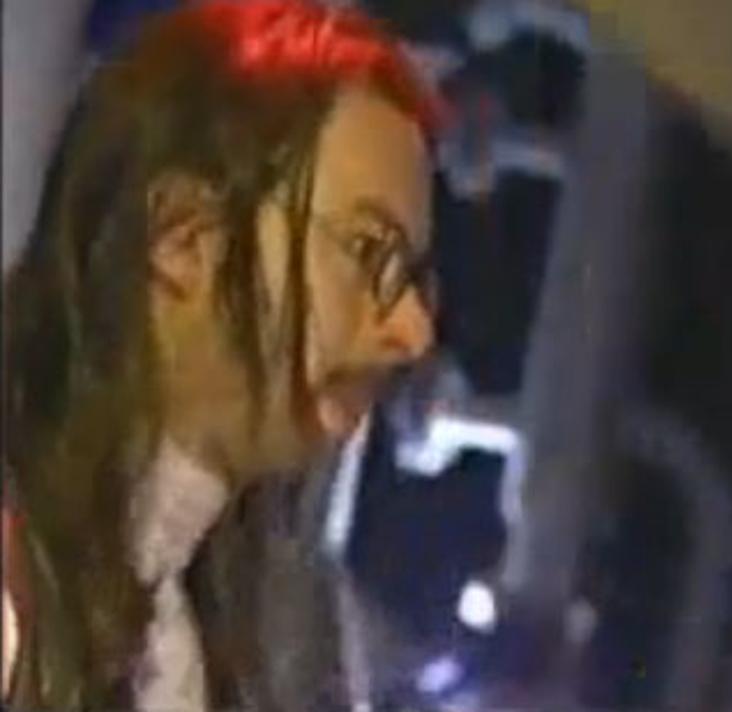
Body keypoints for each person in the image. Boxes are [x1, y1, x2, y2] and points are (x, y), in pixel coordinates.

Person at [1, 1, 442, 708]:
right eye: (367, 252)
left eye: (412, 277)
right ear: (183, 237)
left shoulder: (259, 630)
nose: (412, 330)